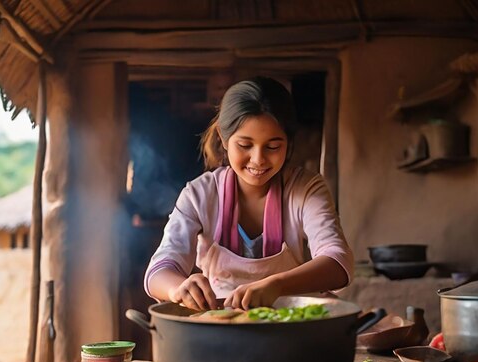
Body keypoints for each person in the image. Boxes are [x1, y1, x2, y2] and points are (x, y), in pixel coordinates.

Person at [144, 77, 353, 311]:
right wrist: (178, 288)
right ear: (224, 139)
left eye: (273, 147)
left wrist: (276, 285)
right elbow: (159, 271)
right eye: (245, 145)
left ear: (288, 142)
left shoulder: (306, 190)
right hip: (221, 329)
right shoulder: (200, 194)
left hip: (293, 327)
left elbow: (338, 263)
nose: (258, 159)